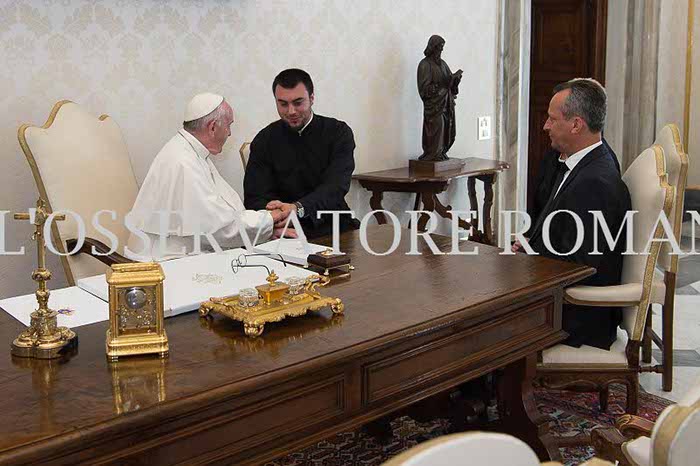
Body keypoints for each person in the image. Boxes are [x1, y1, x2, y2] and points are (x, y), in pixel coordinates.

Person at [513, 78, 631, 350]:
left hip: (576, 317)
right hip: (561, 301)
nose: (545, 126)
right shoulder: (583, 162)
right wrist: (530, 245)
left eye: (552, 119)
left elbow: (581, 266)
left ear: (576, 124)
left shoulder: (595, 182)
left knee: (479, 328)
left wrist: (530, 255)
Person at [127, 93, 290, 261]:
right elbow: (219, 228)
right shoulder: (184, 162)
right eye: (228, 125)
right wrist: (271, 218)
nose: (229, 133)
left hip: (186, 251)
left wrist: (264, 228)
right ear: (212, 127)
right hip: (164, 261)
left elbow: (223, 213)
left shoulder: (190, 152)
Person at [243, 68, 359, 239]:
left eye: (298, 103)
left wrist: (298, 208)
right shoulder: (264, 139)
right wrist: (274, 220)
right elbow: (254, 197)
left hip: (334, 226)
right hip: (284, 231)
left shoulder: (338, 132)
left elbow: (336, 187)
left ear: (312, 98)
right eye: (283, 104)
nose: (291, 111)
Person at [417, 35, 463, 161]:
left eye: (442, 48)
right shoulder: (424, 65)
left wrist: (455, 82)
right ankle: (433, 154)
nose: (441, 50)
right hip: (434, 107)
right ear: (432, 47)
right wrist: (441, 85)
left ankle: (441, 152)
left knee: (448, 129)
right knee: (438, 127)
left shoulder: (443, 64)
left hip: (446, 103)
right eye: (439, 48)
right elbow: (424, 89)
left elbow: (450, 84)